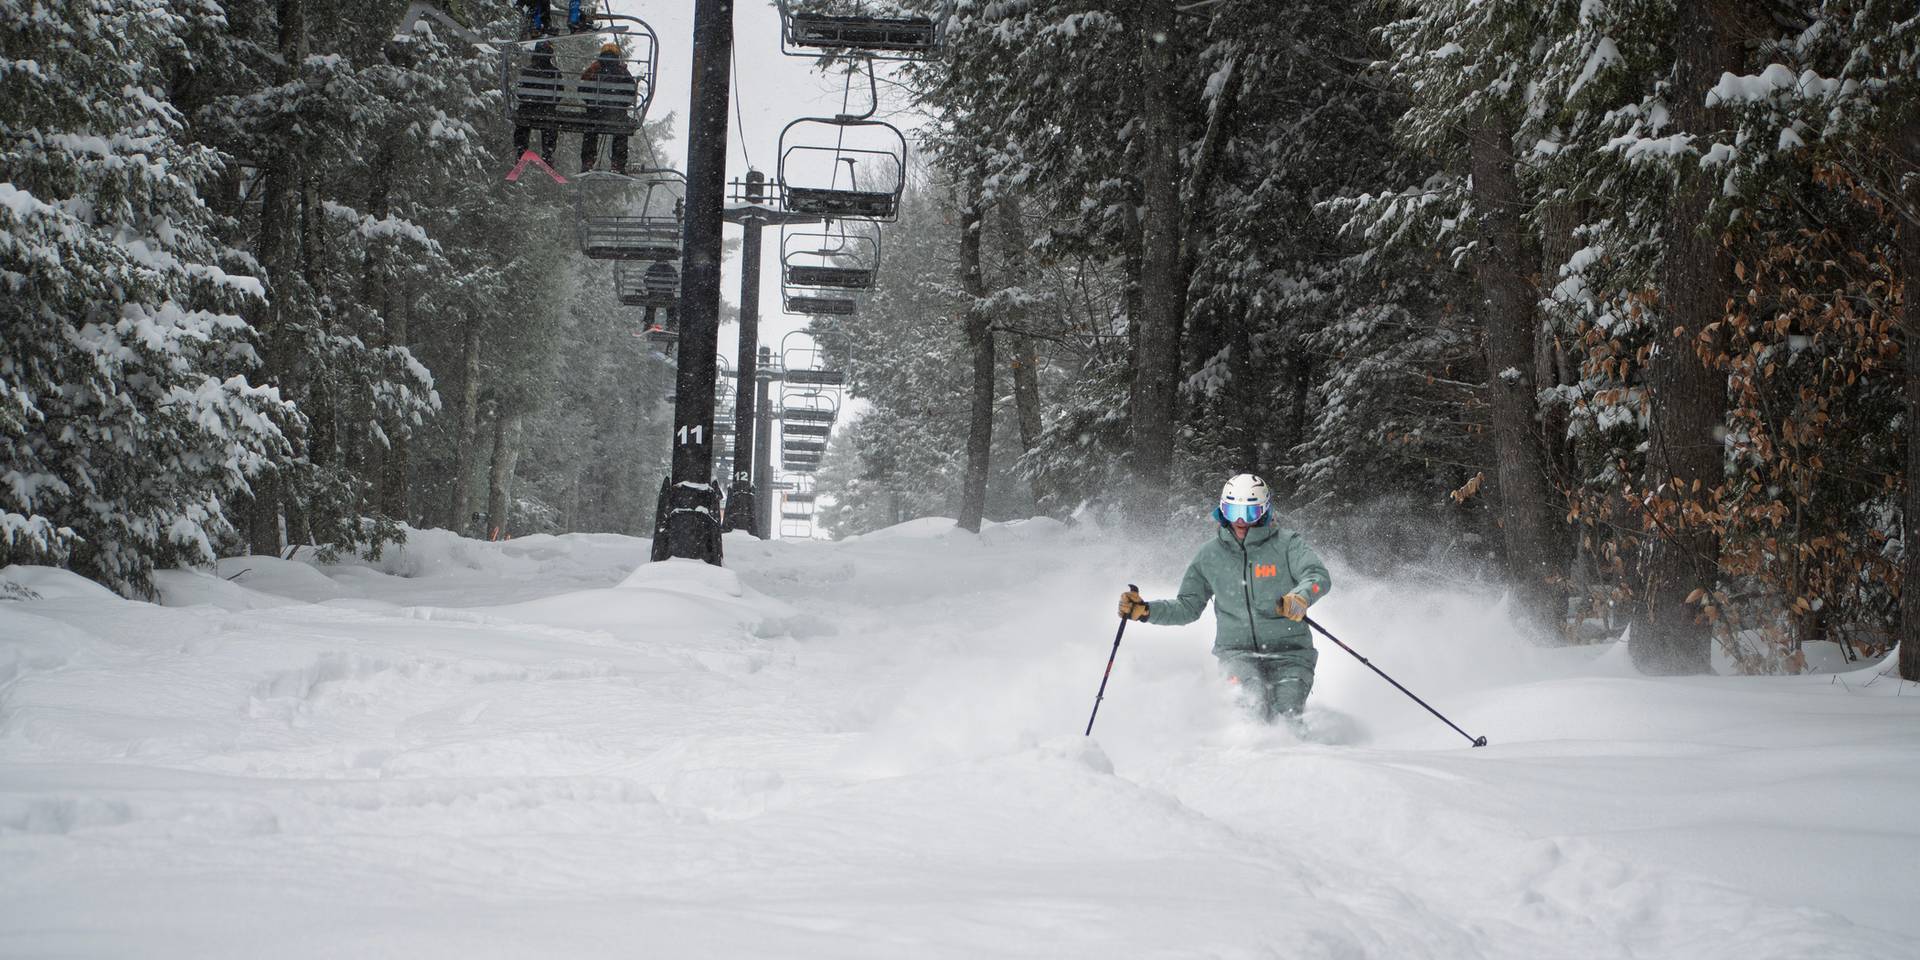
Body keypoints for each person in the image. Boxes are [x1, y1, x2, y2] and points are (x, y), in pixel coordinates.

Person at [1118, 474, 1332, 724]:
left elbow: (1317, 575)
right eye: (1232, 511)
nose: (1240, 521)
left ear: (1264, 512)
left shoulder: (1287, 545)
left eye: (1249, 513)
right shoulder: (1210, 555)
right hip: (1236, 654)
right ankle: (1241, 758)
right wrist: (1145, 611)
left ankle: (1302, 756)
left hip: (1291, 654)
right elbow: (1188, 606)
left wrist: (1300, 597)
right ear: (1222, 510)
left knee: (1287, 715)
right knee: (1249, 709)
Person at [577, 41, 637, 174]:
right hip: (616, 112)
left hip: (595, 111)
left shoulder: (594, 69)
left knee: (591, 131)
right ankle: (617, 164)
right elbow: (631, 91)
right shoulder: (622, 71)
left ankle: (587, 162)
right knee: (621, 131)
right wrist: (621, 105)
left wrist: (591, 102)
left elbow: (582, 87)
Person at [510, 42, 561, 165]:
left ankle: (521, 150)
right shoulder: (554, 72)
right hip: (547, 109)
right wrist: (551, 103)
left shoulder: (527, 70)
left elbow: (520, 90)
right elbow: (559, 91)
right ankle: (548, 153)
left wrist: (528, 99)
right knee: (549, 125)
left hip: (528, 107)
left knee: (523, 124)